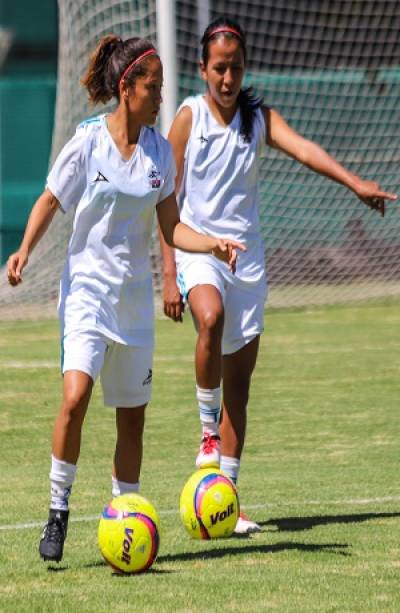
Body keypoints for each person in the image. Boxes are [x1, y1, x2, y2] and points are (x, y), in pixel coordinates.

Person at [6, 34, 244, 563]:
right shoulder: (88, 140)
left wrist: (212, 243)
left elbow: (173, 227)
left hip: (134, 304)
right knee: (74, 398)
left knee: (131, 419)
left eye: (161, 87)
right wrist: (22, 251)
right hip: (87, 292)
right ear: (125, 87)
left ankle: (124, 517)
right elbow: (50, 198)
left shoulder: (159, 151)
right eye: (152, 87)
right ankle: (57, 511)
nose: (160, 96)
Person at [158, 17, 397, 534]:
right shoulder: (188, 117)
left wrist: (355, 183)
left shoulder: (258, 118)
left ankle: (226, 503)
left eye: (236, 68)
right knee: (210, 315)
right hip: (200, 251)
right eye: (219, 68)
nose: (228, 78)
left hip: (250, 262)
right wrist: (169, 268)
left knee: (239, 386)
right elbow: (166, 196)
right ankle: (206, 435)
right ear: (203, 69)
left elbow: (306, 149)